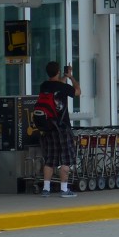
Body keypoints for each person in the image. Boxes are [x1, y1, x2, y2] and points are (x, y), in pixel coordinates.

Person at [39, 60, 80, 198]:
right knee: (66, 159)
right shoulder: (63, 87)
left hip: (48, 127)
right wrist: (71, 77)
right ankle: (64, 189)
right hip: (62, 128)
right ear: (58, 72)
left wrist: (64, 77)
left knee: (50, 159)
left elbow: (56, 86)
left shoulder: (44, 86)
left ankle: (46, 189)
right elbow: (78, 91)